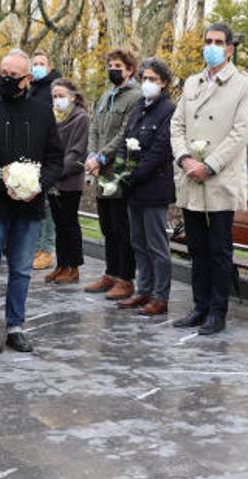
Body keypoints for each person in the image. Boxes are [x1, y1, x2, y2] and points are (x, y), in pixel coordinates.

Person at [0, 49, 64, 354]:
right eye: (2, 75)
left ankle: (16, 326)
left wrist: (38, 185)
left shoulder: (42, 112)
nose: (5, 80)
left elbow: (54, 159)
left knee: (21, 268)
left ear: (28, 79)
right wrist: (0, 179)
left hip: (29, 205)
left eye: (13, 76)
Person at [170, 23, 248, 335]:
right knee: (196, 247)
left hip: (219, 179)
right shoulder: (192, 82)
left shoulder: (245, 85)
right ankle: (199, 306)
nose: (212, 46)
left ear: (230, 48)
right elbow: (177, 124)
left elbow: (240, 134)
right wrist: (184, 159)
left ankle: (217, 312)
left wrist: (208, 165)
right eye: (208, 41)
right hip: (191, 177)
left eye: (219, 42)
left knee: (219, 249)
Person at [115, 57, 176, 316]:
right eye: (145, 78)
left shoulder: (168, 110)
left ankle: (160, 296)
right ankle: (143, 289)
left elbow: (161, 148)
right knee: (138, 242)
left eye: (153, 79)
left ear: (163, 83)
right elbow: (125, 138)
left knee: (156, 244)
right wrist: (120, 168)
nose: (148, 83)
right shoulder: (139, 106)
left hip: (154, 187)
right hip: (134, 188)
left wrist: (136, 174)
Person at [84, 48, 143, 300]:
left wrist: (103, 156)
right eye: (109, 65)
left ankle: (125, 278)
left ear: (130, 69)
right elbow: (95, 126)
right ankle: (110, 272)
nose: (112, 69)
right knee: (107, 226)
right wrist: (91, 156)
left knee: (122, 228)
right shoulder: (106, 95)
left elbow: (125, 133)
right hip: (100, 171)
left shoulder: (136, 96)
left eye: (118, 65)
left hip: (118, 171)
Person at [45, 78, 89, 285]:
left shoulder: (81, 118)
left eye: (61, 96)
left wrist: (55, 171)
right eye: (54, 96)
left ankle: (73, 267)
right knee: (59, 226)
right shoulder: (53, 118)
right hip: (53, 181)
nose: (57, 100)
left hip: (69, 181)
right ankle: (61, 264)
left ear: (72, 96)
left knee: (70, 224)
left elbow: (77, 152)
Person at [28, 51, 62, 270]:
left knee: (48, 205)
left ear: (49, 67)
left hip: (48, 154)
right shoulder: (34, 88)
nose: (38, 67)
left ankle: (46, 249)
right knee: (38, 203)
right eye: (35, 64)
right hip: (33, 153)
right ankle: (37, 248)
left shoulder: (54, 89)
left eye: (42, 64)